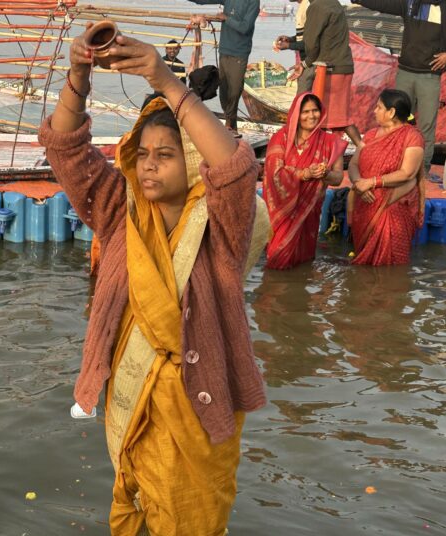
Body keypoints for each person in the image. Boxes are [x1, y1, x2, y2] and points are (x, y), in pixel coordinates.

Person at [38, 24, 268, 535]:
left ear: (190, 161)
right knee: (134, 509)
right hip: (131, 396)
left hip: (197, 407)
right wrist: (78, 73)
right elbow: (67, 151)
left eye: (165, 156)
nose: (148, 167)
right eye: (142, 155)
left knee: (191, 518)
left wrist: (164, 79)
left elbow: (234, 165)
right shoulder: (120, 213)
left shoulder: (221, 229)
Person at [351, 0, 446, 172]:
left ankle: (422, 171)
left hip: (430, 77)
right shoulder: (411, 5)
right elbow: (383, 4)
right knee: (396, 122)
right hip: (405, 73)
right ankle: (392, 165)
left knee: (426, 126)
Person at [264, 92, 347, 269]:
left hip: (310, 210)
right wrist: (305, 174)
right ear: (296, 114)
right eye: (306, 112)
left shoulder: (331, 141)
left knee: (304, 260)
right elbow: (274, 173)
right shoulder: (282, 138)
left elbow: (338, 178)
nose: (311, 116)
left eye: (315, 110)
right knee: (277, 258)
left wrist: (324, 174)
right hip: (283, 210)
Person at [348, 89, 425, 266]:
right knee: (363, 268)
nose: (374, 111)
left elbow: (408, 173)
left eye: (379, 107)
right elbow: (353, 164)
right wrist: (359, 183)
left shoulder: (412, 137)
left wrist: (372, 183)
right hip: (365, 205)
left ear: (391, 112)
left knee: (391, 268)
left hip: (393, 207)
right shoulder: (369, 135)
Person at [290, 0, 363, 147]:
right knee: (339, 119)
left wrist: (304, 64)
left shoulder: (317, 7)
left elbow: (312, 45)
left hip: (329, 70)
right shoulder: (334, 3)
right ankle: (358, 150)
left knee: (326, 119)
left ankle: (361, 149)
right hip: (344, 66)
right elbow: (325, 37)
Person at [187, 0, 260, 130]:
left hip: (239, 52)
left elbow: (245, 27)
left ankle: (229, 125)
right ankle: (231, 126)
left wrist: (226, 18)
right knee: (224, 91)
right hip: (224, 49)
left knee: (235, 90)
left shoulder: (253, 2)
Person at [274, 0, 315, 93]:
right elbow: (306, 36)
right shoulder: (303, 5)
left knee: (302, 98)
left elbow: (311, 43)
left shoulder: (310, 6)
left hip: (311, 63)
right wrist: (290, 39)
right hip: (306, 62)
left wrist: (289, 45)